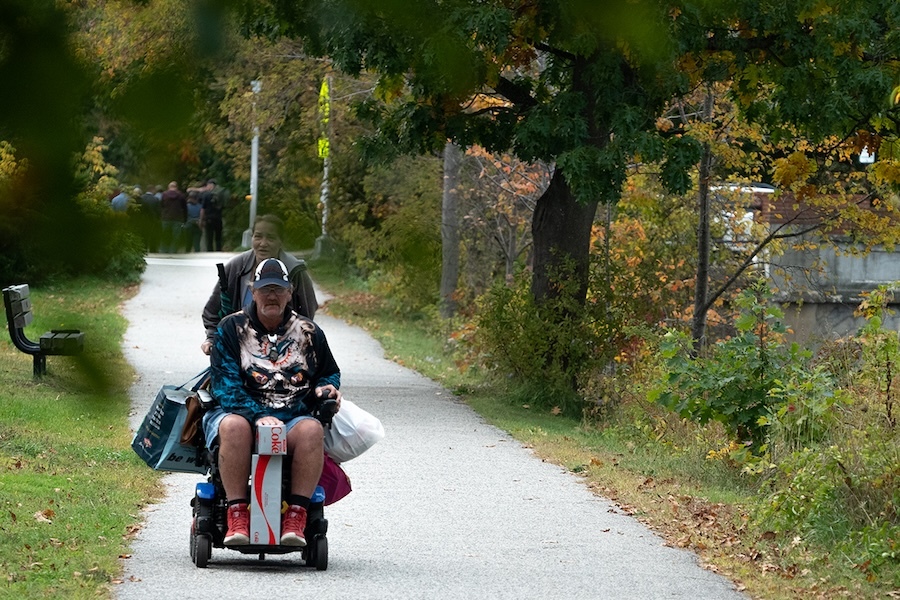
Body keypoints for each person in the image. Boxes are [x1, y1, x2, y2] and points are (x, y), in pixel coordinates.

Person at [203, 258, 342, 546]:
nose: (272, 296)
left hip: (293, 413)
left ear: (290, 292)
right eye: (265, 289)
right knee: (233, 427)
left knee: (312, 430)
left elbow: (328, 371)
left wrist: (328, 389)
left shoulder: (309, 332)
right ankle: (237, 515)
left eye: (278, 289)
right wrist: (257, 416)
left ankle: (296, 516)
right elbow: (225, 387)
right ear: (252, 291)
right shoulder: (231, 328)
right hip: (238, 411)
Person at [200, 214, 318, 355]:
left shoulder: (295, 271)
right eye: (258, 236)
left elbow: (307, 313)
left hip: (283, 351)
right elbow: (212, 311)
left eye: (270, 238)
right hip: (239, 348)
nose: (263, 243)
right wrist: (212, 338)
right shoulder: (236, 267)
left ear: (281, 241)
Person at [199, 179, 227, 251]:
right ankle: (219, 251)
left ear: (211, 185)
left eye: (207, 185)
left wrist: (201, 220)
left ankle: (210, 252)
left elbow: (203, 209)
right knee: (218, 238)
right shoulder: (221, 194)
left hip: (209, 219)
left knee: (209, 238)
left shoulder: (206, 195)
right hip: (218, 218)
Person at [159, 181, 187, 253]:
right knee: (176, 236)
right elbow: (184, 208)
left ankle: (164, 250)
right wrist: (184, 219)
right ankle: (173, 250)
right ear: (176, 187)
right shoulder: (181, 195)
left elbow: (161, 206)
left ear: (169, 187)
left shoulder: (164, 195)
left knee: (165, 234)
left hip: (166, 218)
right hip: (177, 218)